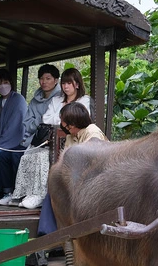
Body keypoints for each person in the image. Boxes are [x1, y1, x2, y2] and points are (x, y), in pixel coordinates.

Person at [6, 69, 93, 209]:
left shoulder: (84, 100)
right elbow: (46, 118)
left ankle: (40, 195)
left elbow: (80, 120)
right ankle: (24, 193)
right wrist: (65, 118)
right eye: (64, 83)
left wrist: (60, 118)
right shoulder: (57, 99)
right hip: (49, 140)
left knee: (42, 157)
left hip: (70, 142)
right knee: (28, 153)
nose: (65, 86)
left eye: (69, 83)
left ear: (77, 84)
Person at [0, 64, 63, 206]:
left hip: (46, 142)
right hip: (30, 140)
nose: (44, 82)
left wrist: (37, 121)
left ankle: (23, 193)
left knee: (16, 156)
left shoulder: (59, 98)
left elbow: (51, 121)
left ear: (56, 80)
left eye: (48, 78)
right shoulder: (35, 98)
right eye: (41, 78)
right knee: (3, 156)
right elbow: (27, 123)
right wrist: (40, 120)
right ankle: (9, 192)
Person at [36, 102, 108, 236]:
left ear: (72, 123)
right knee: (53, 192)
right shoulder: (71, 136)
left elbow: (93, 162)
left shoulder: (93, 133)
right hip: (76, 181)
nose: (62, 124)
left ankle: (49, 234)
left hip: (94, 181)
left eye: (64, 121)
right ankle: (49, 234)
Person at [0, 69, 27, 196]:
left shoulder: (18, 100)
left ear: (11, 83)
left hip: (14, 143)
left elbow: (14, 128)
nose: (2, 86)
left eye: (5, 82)